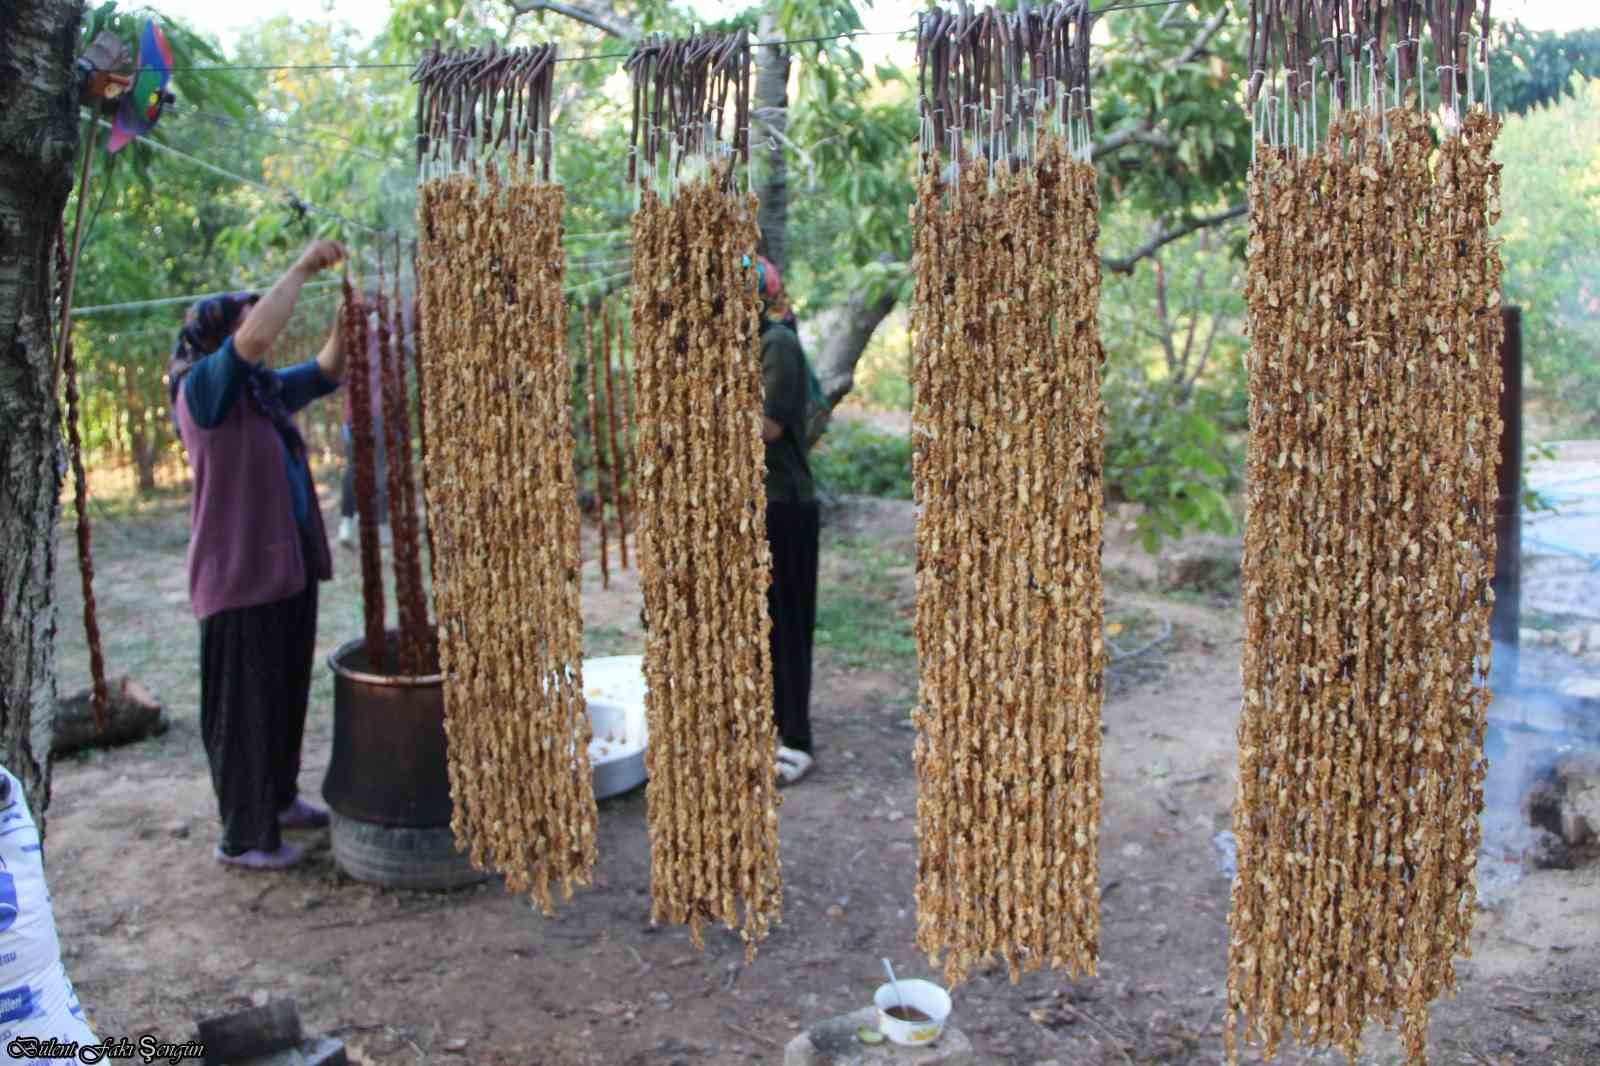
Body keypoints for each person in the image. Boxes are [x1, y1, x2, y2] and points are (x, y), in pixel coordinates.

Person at [168, 238, 347, 871]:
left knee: (282, 695)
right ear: (218, 335)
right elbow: (255, 340)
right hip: (238, 577)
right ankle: (244, 837)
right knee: (244, 710)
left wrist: (347, 316)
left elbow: (325, 371)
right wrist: (300, 268)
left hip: (284, 572)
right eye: (243, 318)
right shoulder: (204, 391)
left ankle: (279, 799)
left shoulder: (259, 393)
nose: (257, 328)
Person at [752, 255, 819, 786]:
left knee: (787, 622)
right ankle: (766, 722)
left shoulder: (776, 344)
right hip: (755, 507)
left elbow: (768, 427)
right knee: (761, 624)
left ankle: (795, 739)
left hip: (784, 505)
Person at [337, 305, 388, 548]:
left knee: (378, 469)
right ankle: (347, 523)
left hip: (376, 416)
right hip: (354, 417)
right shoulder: (349, 344)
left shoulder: (382, 339)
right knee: (354, 469)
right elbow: (337, 377)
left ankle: (381, 524)